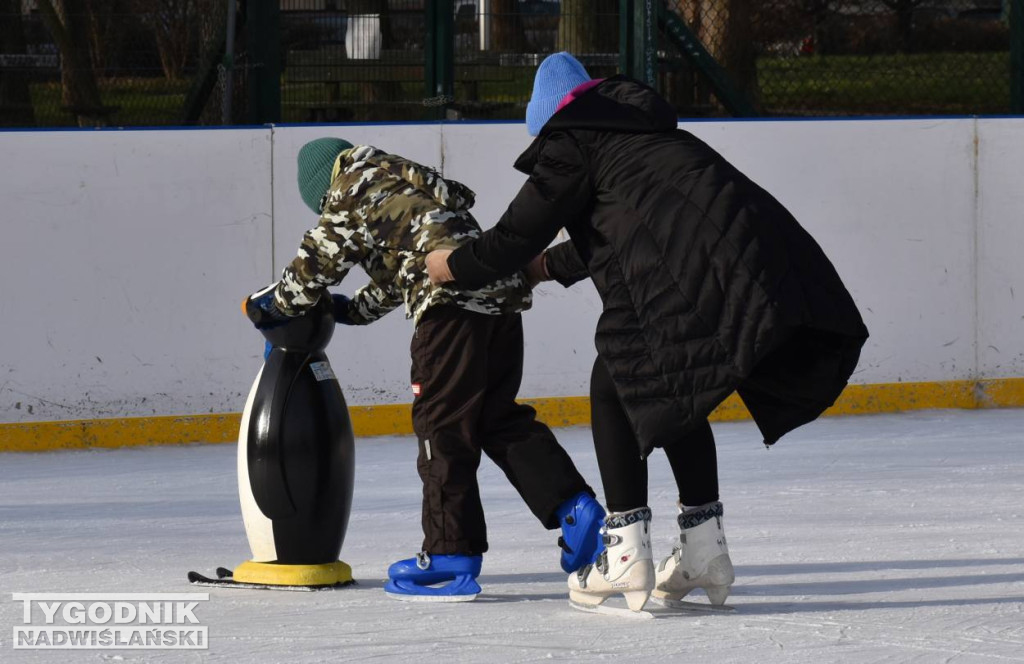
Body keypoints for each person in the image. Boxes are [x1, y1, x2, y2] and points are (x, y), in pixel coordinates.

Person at [426, 52, 869, 614]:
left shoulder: (572, 139)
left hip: (684, 269)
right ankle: (704, 549)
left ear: (548, 116)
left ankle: (625, 552)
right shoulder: (636, 134)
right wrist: (544, 269)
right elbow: (624, 226)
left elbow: (515, 234)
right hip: (750, 254)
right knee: (673, 384)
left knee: (615, 379)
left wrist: (454, 265)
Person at [243, 137, 606, 601]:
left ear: (321, 184)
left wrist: (272, 304)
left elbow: (316, 264)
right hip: (498, 306)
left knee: (441, 427)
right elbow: (401, 275)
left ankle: (449, 554)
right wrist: (349, 310)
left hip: (450, 314)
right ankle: (574, 508)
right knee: (497, 418)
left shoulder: (351, 186)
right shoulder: (409, 186)